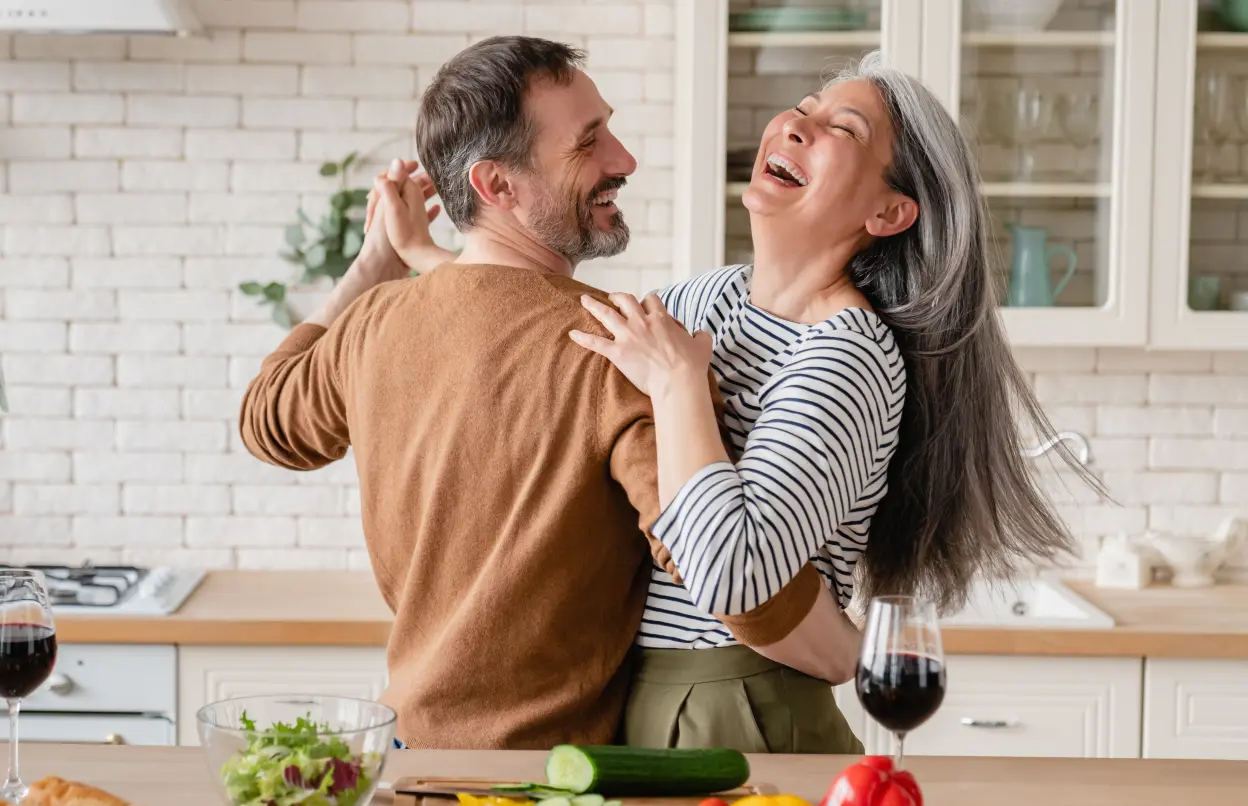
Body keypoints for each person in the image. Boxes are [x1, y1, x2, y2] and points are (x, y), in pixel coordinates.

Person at [378, 49, 1103, 753]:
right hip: (637, 697)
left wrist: (678, 388)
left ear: (887, 212)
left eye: (842, 131)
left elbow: (736, 574)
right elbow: (562, 343)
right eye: (806, 108)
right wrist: (429, 257)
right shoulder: (710, 298)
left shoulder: (848, 355)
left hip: (741, 709)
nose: (794, 124)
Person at [240, 35, 830, 751]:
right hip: (538, 782)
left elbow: (266, 422)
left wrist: (373, 266)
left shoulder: (374, 324)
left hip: (403, 759)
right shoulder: (616, 351)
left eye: (607, 126)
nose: (624, 159)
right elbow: (733, 580)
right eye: (588, 144)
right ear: (497, 186)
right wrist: (861, 655)